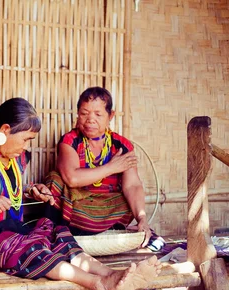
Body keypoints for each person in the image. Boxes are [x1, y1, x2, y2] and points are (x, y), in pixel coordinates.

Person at [0, 97, 161, 290]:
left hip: (4, 229)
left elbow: (4, 188)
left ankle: (112, 275)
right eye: (25, 139)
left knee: (55, 232)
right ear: (5, 130)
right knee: (27, 247)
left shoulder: (14, 158)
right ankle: (99, 284)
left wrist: (31, 190)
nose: (26, 146)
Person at [46, 87, 151, 245]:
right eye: (84, 113)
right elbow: (72, 178)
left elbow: (133, 185)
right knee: (55, 180)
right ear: (77, 115)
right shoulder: (70, 140)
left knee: (127, 199)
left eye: (98, 114)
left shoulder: (121, 145)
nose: (90, 119)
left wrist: (142, 218)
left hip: (108, 209)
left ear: (111, 116)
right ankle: (53, 235)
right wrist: (111, 167)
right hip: (77, 209)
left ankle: (109, 231)